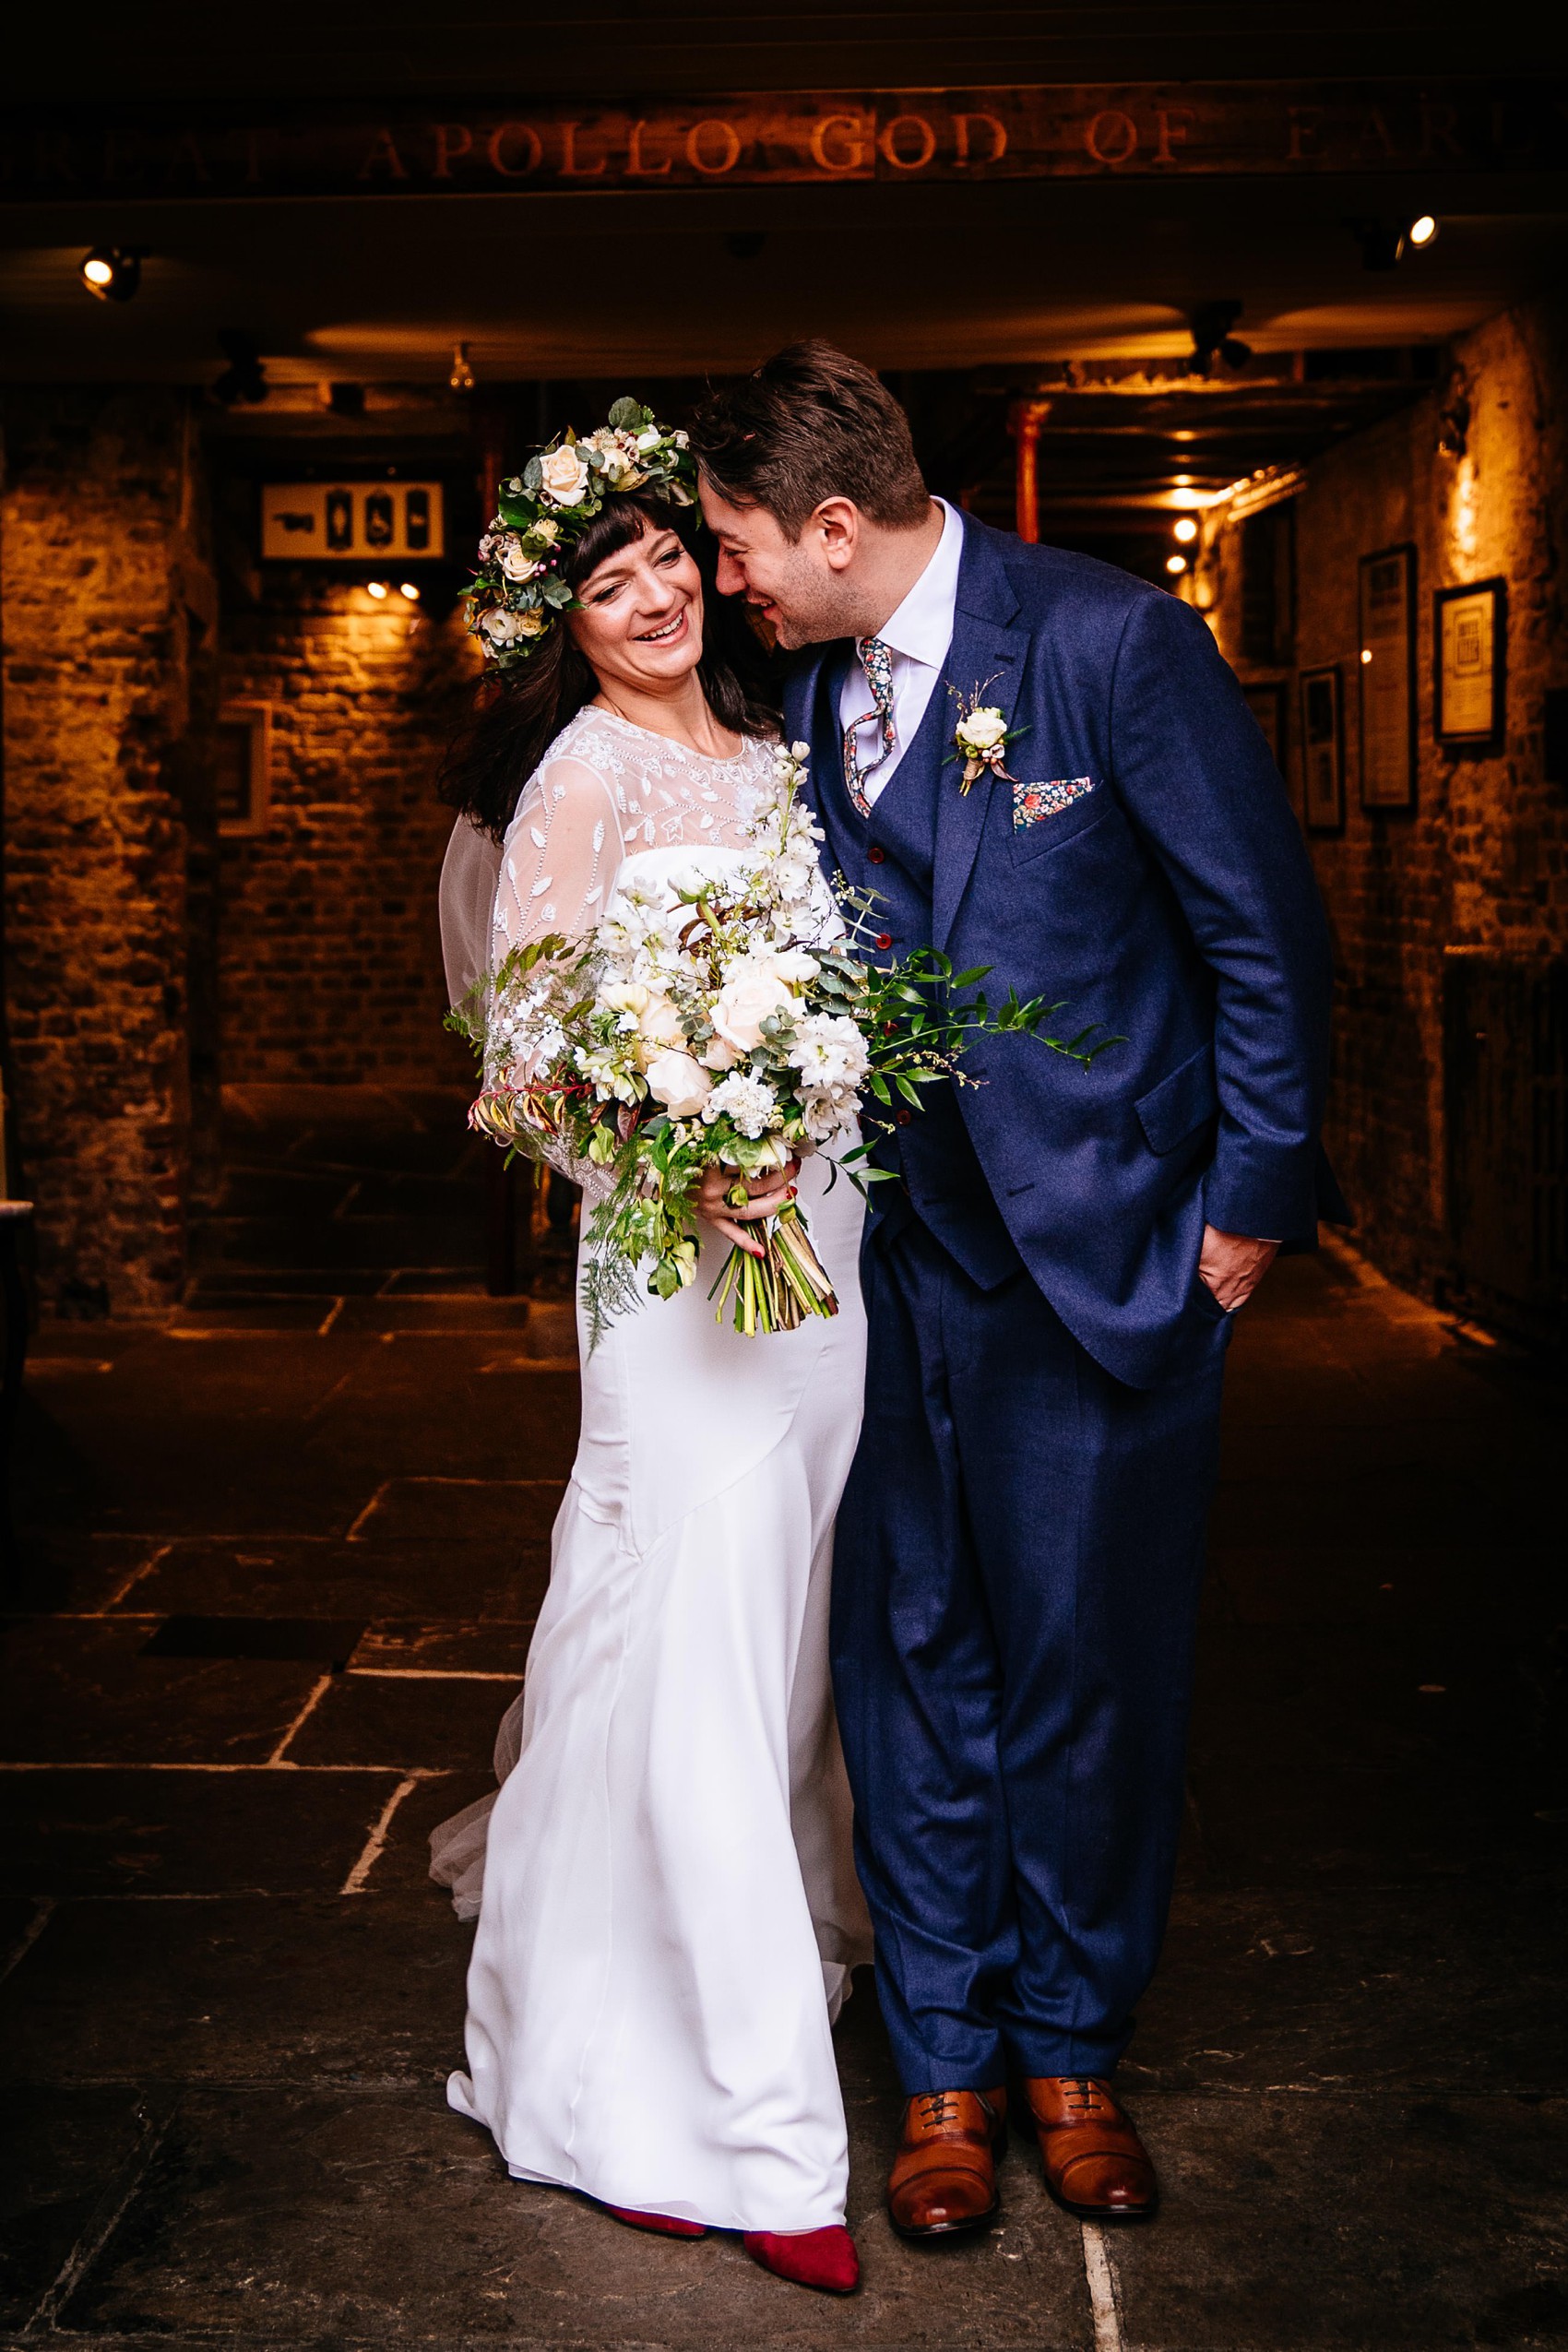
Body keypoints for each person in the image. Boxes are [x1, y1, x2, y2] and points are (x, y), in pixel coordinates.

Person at [689, 343, 1342, 2239]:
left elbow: (1259, 932)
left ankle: (1072, 2043)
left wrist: (1250, 1199)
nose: (731, 582)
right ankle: (945, 2070)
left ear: (833, 526)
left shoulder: (1107, 644)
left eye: (741, 547)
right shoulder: (805, 688)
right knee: (907, 1669)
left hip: (1104, 1254)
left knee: (1083, 1674)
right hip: (883, 1273)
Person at [431, 410, 872, 2296]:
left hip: (821, 1244)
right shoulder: (580, 782)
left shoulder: (779, 756)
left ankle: (627, 1991)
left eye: (663, 563)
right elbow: (521, 1061)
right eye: (603, 589)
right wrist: (681, 1156)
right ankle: (748, 2130)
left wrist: (812, 1103)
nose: (652, 599)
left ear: (707, 563)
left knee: (767, 1643)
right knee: (687, 1630)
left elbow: (844, 988)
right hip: (673, 1257)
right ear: (568, 626)